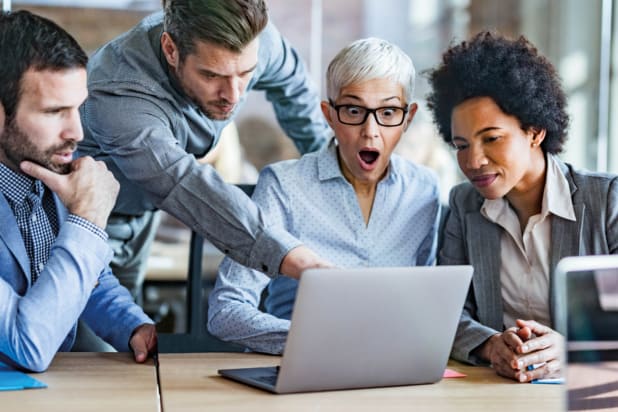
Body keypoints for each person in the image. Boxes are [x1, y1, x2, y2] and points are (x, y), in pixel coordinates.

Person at [78, 0, 332, 301]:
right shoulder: (119, 92)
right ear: (171, 50)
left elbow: (295, 89)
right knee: (91, 341)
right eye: (211, 76)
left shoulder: (257, 41)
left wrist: (334, 174)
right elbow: (185, 184)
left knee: (123, 333)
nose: (234, 95)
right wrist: (296, 258)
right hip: (82, 219)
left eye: (245, 73)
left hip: (144, 212)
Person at [208, 37, 441, 354]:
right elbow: (226, 311)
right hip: (301, 367)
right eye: (353, 110)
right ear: (329, 115)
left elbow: (425, 301)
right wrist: (311, 341)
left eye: (388, 113)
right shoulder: (284, 185)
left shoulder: (424, 189)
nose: (370, 131)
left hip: (392, 368)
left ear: (408, 118)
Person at [426, 31, 618, 382]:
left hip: (587, 389)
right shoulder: (464, 205)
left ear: (535, 131)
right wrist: (490, 344)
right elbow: (448, 312)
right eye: (461, 145)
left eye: (492, 138)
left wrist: (573, 347)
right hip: (496, 391)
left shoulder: (607, 201)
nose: (474, 160)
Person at [0, 10, 157, 372]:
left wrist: (133, 326)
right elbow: (28, 344)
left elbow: (89, 276)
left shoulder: (47, 171)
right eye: (55, 111)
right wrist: (88, 218)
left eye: (78, 109)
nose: (77, 132)